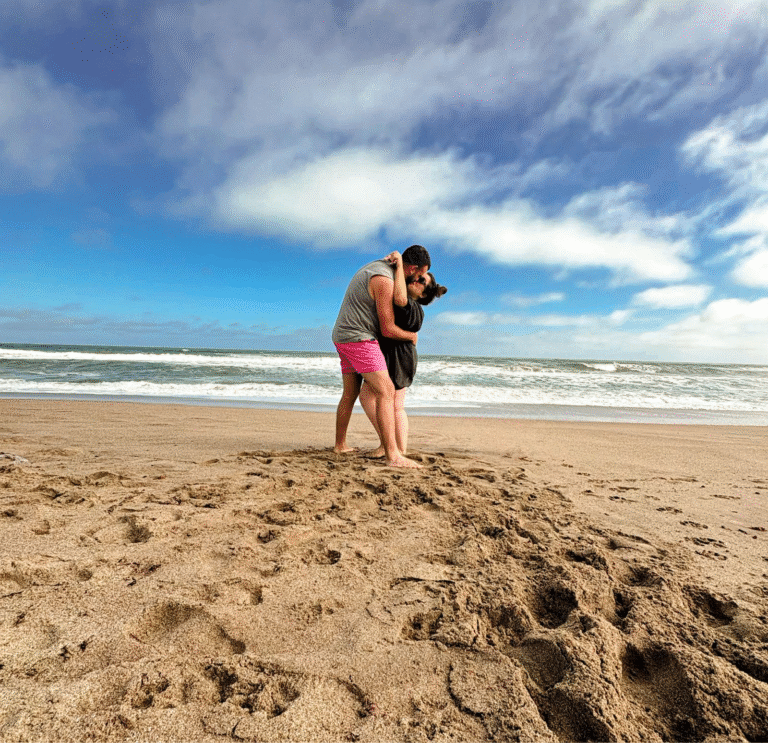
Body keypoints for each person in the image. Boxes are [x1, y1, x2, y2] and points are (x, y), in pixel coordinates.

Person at [332, 245, 431, 468]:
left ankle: (340, 444)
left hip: (342, 335)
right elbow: (387, 329)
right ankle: (392, 455)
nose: (416, 279)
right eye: (418, 275)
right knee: (386, 390)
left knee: (350, 392)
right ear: (413, 268)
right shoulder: (384, 280)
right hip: (358, 337)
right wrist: (411, 336)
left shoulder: (378, 268)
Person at [359, 271, 447, 458]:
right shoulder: (412, 307)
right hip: (401, 356)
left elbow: (397, 303)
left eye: (422, 280)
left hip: (397, 357)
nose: (416, 279)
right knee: (393, 403)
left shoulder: (410, 306)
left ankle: (390, 445)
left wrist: (399, 263)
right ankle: (397, 448)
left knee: (374, 397)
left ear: (423, 294)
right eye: (417, 276)